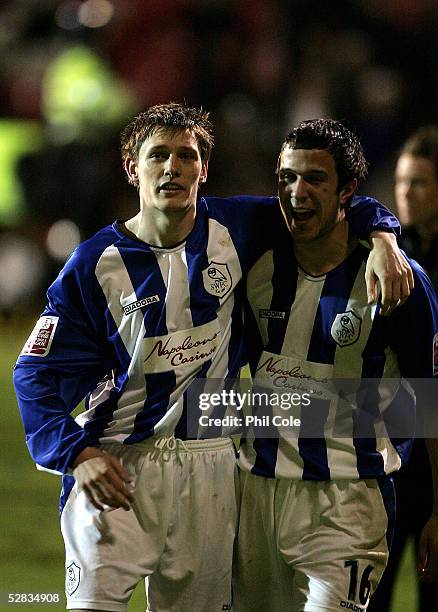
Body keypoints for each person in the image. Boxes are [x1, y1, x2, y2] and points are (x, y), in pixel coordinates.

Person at [14, 104, 411, 612]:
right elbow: (34, 375)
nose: (172, 167)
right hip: (117, 464)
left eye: (187, 155)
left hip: (212, 468)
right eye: (158, 155)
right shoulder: (93, 264)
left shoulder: (237, 228)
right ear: (132, 169)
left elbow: (323, 199)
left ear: (204, 169)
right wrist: (77, 454)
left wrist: (382, 236)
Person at [235, 119, 438, 612]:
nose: (296, 192)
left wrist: (436, 506)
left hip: (347, 502)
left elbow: (427, 399)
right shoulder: (254, 259)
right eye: (287, 178)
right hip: (256, 495)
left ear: (347, 190)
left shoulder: (398, 284)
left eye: (315, 179)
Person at [369, 126, 438, 612]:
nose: (405, 194)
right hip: (400, 442)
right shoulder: (391, 253)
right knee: (377, 586)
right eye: (400, 182)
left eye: (418, 183)